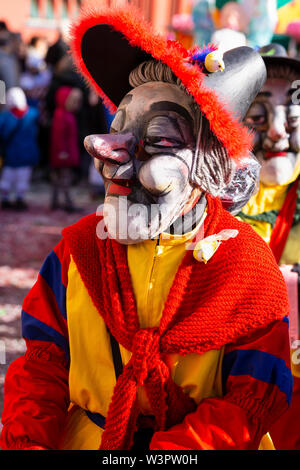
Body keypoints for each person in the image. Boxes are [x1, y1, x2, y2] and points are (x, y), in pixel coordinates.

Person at [0, 6, 293, 451]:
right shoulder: (76, 252)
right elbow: (42, 370)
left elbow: (248, 402)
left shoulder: (245, 268)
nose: (108, 150)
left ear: (209, 168)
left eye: (157, 139)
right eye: (116, 130)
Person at [240, 43, 300, 450]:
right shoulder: (204, 194)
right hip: (229, 382)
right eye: (259, 116)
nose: (277, 130)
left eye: (293, 116)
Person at [0, 87, 40, 210]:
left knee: (7, 178)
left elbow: (3, 134)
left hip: (10, 155)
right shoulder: (33, 114)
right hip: (27, 154)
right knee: (22, 178)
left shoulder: (5, 117)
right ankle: (19, 198)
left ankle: (6, 199)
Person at [49, 85, 82, 212]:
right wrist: (62, 151)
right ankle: (68, 202)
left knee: (58, 179)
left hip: (65, 153)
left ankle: (55, 201)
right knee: (64, 179)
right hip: (63, 154)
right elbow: (58, 136)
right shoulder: (61, 115)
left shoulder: (66, 114)